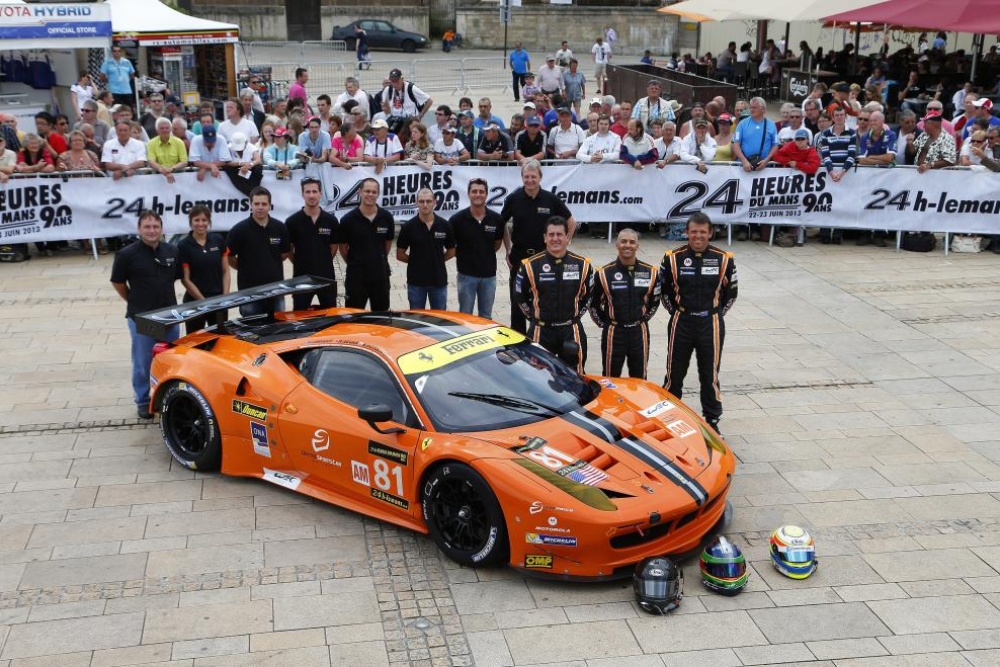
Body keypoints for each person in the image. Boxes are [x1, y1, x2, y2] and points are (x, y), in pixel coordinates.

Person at [660, 212, 737, 434]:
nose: (698, 236)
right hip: (681, 321)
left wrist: (713, 313)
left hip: (710, 323)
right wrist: (679, 313)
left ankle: (712, 421)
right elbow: (663, 292)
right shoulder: (672, 258)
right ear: (686, 232)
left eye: (703, 232)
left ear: (710, 233)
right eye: (693, 231)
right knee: (674, 374)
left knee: (709, 374)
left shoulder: (724, 259)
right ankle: (669, 418)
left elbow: (731, 294)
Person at [110, 210, 180, 419]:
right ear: (139, 229)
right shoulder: (127, 255)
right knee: (143, 362)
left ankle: (168, 396)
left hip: (169, 316)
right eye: (147, 227)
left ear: (161, 228)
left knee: (169, 360)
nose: (152, 231)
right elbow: (118, 283)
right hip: (142, 318)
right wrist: (133, 301)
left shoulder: (172, 251)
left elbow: (175, 279)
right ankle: (143, 400)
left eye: (155, 226)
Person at [500, 159, 576, 334]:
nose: (530, 180)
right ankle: (518, 336)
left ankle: (540, 332)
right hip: (519, 256)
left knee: (542, 296)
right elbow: (501, 223)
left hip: (543, 258)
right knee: (517, 298)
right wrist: (507, 247)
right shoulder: (513, 198)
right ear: (522, 178)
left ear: (540, 177)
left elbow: (571, 222)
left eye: (533, 176)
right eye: (526, 176)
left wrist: (565, 244)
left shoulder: (550, 199)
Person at [514, 216, 594, 373]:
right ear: (545, 238)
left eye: (559, 234)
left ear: (567, 237)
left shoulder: (583, 265)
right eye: (551, 235)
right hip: (541, 330)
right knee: (537, 377)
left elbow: (589, 295)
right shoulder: (529, 265)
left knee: (575, 376)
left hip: (571, 329)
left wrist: (576, 316)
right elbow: (519, 296)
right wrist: (534, 317)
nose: (555, 239)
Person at [589, 228, 660, 379]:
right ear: (617, 245)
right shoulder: (603, 273)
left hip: (638, 332)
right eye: (623, 241)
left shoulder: (651, 272)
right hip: (614, 333)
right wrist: (606, 324)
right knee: (609, 379)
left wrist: (642, 320)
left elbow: (655, 302)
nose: (627, 245)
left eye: (632, 242)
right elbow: (594, 304)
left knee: (640, 379)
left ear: (637, 246)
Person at [226, 186, 291, 316]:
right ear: (250, 205)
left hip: (276, 290)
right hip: (249, 293)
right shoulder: (239, 230)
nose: (260, 207)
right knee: (252, 333)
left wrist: (269, 263)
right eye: (256, 204)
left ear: (269, 206)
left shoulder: (280, 228)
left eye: (264, 204)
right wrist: (246, 268)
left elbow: (284, 254)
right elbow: (230, 257)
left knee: (278, 331)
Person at [452, 178, 504, 318]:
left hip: (489, 276)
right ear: (468, 194)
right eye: (474, 191)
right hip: (466, 276)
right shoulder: (457, 220)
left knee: (486, 317)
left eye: (481, 191)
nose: (478, 194)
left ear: (487, 194)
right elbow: (451, 246)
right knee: (465, 316)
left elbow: (497, 244)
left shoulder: (496, 219)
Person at [339, 178, 395, 310]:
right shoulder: (348, 220)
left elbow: (387, 245)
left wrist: (375, 258)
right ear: (360, 192)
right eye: (367, 191)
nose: (370, 194)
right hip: (356, 278)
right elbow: (343, 248)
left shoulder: (386, 217)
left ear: (378, 194)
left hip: (380, 276)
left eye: (374, 192)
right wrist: (356, 262)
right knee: (354, 319)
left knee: (381, 318)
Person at [396, 188, 456, 310]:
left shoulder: (445, 225)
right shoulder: (408, 227)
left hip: (438, 280)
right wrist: (416, 262)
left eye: (428, 201)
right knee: (417, 320)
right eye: (421, 201)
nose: (425, 204)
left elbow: (451, 251)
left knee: (440, 320)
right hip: (416, 282)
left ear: (435, 202)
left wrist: (437, 260)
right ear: (416, 202)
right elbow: (400, 254)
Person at [285, 177, 339, 310]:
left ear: (320, 193)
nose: (311, 195)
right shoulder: (292, 222)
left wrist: (322, 261)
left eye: (314, 192)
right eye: (308, 192)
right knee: (300, 319)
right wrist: (301, 262)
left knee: (330, 317)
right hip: (301, 278)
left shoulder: (331, 220)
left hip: (326, 277)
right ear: (302, 194)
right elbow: (289, 250)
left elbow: (334, 247)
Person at [177, 205, 230, 334]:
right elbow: (186, 279)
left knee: (220, 342)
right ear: (191, 222)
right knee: (196, 344)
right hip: (194, 304)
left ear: (209, 221)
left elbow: (226, 271)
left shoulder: (218, 240)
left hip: (219, 302)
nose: (201, 224)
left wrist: (225, 296)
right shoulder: (183, 246)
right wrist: (203, 302)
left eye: (204, 220)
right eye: (196, 220)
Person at [732, 96, 778, 173]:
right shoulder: (742, 124)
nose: (752, 110)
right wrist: (744, 161)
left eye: (755, 107)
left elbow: (775, 145)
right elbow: (736, 144)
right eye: (751, 107)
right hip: (743, 166)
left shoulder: (771, 125)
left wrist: (767, 160)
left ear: (763, 109)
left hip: (763, 167)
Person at [145, 118, 188, 184]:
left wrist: (171, 169)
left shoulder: (179, 142)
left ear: (170, 129)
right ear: (157, 130)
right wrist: (163, 170)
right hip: (157, 179)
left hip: (178, 178)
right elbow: (151, 162)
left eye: (167, 128)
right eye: (162, 128)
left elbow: (184, 161)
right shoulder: (151, 143)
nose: (164, 130)